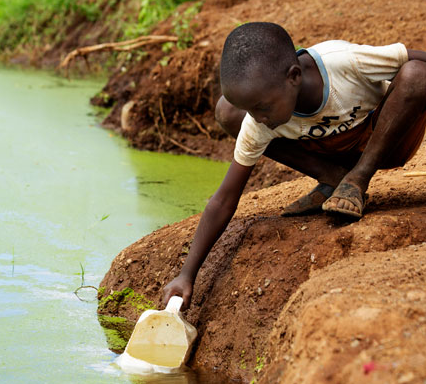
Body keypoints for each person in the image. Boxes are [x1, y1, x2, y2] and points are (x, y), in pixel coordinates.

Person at [163, 22, 426, 308]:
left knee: (416, 75)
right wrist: (186, 275)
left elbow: (418, 66)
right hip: (337, 152)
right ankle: (335, 178)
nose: (258, 117)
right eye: (251, 110)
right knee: (230, 114)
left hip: (388, 140)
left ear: (294, 76)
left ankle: (357, 179)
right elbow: (224, 199)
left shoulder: (343, 62)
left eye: (262, 107)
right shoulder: (260, 118)